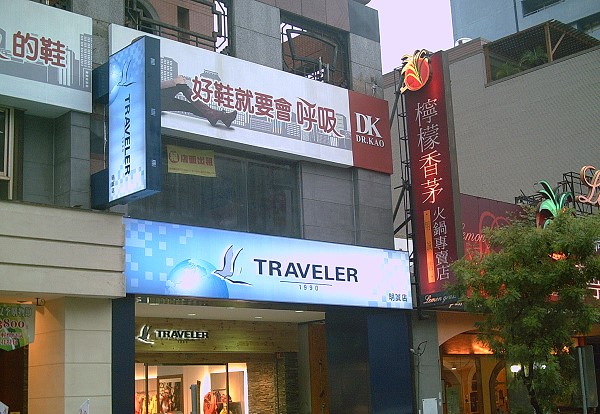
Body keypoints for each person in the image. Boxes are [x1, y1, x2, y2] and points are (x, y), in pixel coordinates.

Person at [161, 75, 238, 128]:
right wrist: (175, 81)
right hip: (157, 99)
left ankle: (222, 117)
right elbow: (155, 86)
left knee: (189, 107)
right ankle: (215, 115)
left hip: (159, 101)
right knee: (180, 86)